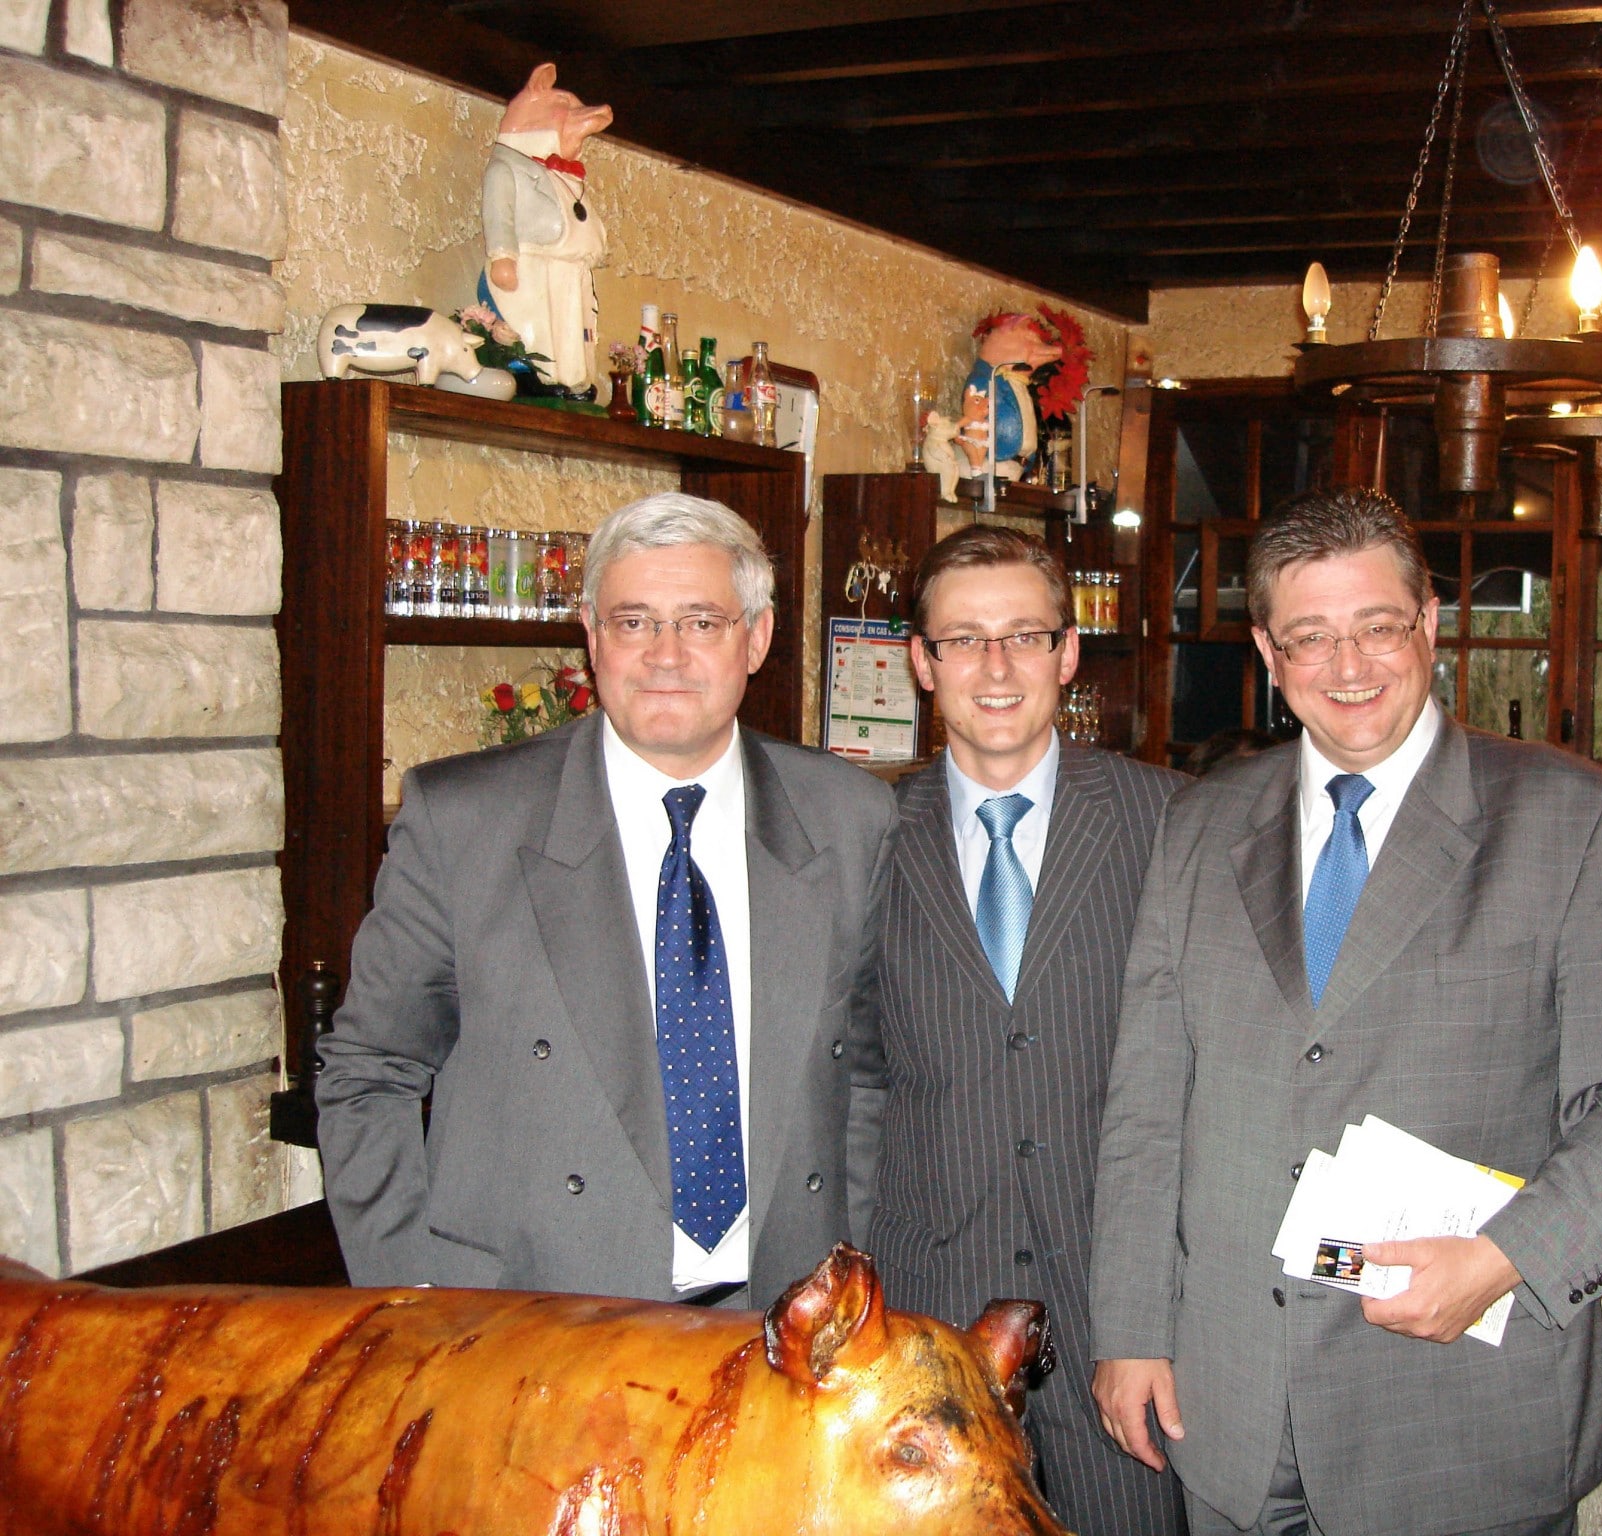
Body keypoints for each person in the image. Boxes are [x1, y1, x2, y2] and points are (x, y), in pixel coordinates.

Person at [1089, 488, 1602, 1536]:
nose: (1349, 666)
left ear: (1427, 622)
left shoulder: (1572, 819)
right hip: (1230, 1406)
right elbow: (1148, 1103)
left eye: (1377, 626)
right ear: (1268, 652)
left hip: (1455, 1417)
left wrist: (1505, 1256)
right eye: (1309, 637)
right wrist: (1130, 1326)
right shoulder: (1198, 824)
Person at [318, 492, 895, 1307]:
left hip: (785, 1319)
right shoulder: (466, 822)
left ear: (757, 638)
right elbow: (368, 1072)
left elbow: (869, 1078)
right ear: (591, 637)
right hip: (536, 1319)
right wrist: (420, 1302)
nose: (666, 655)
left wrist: (850, 1269)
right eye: (633, 622)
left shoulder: (848, 818)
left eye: (701, 622)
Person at [851, 526, 1188, 1536]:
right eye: (963, 640)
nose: (994, 667)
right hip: (929, 1324)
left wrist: (1158, 1315)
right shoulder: (862, 837)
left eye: (1024, 636)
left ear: (1067, 652)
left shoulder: (1173, 822)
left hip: (1122, 1325)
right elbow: (850, 1076)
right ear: (920, 662)